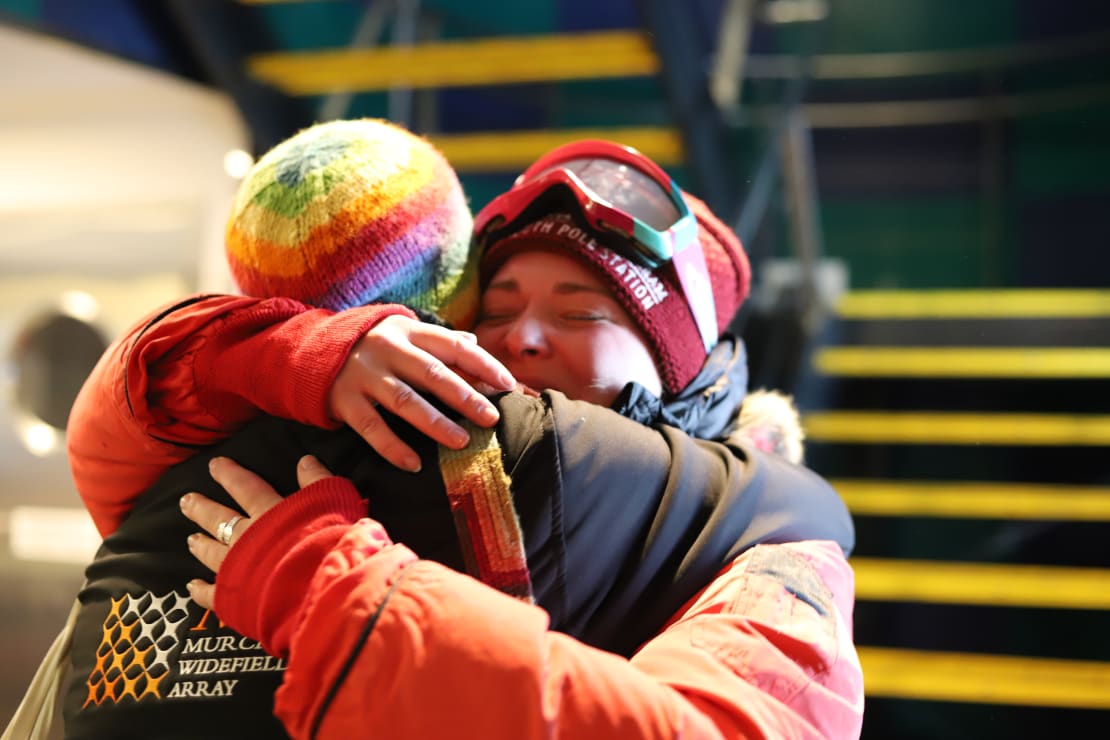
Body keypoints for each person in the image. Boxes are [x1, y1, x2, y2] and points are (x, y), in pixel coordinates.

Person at [63, 126, 861, 738]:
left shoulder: (771, 557)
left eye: (581, 312)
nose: (522, 339)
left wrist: (347, 607)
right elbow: (111, 448)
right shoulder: (422, 453)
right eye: (498, 309)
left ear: (679, 371)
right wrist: (300, 355)